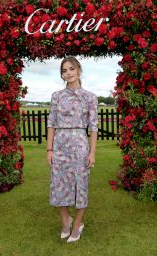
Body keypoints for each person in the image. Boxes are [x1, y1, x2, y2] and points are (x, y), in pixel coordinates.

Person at [47, 56, 98, 243]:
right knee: (58, 185)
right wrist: (49, 149)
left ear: (78, 70)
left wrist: (92, 152)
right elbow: (51, 123)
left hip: (80, 146)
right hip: (59, 145)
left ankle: (77, 224)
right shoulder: (56, 96)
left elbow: (93, 127)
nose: (67, 73)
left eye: (71, 69)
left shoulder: (90, 97)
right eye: (64, 70)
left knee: (81, 186)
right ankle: (65, 220)